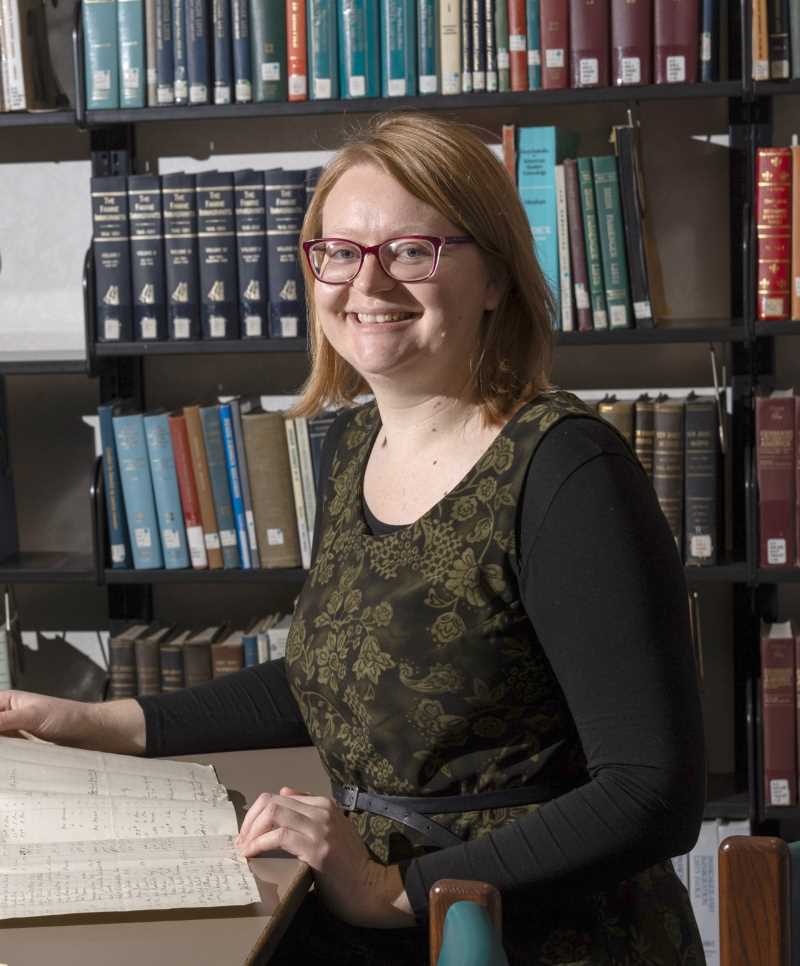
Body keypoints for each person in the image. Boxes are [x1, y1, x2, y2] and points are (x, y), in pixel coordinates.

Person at [0, 113, 706, 965]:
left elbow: (650, 794)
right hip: (367, 906)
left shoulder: (566, 469)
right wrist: (94, 720)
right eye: (338, 251)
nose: (367, 283)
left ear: (495, 279)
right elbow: (340, 677)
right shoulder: (352, 446)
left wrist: (393, 892)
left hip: (522, 933)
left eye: (413, 250)